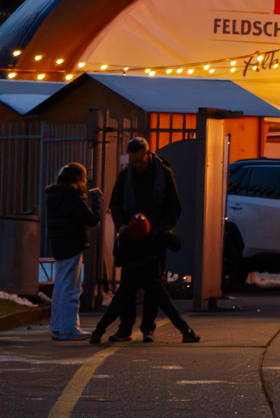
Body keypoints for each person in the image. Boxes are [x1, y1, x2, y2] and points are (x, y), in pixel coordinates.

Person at [107, 138, 198, 342]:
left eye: (139, 161)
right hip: (131, 238)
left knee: (153, 287)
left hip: (154, 238)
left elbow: (173, 206)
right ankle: (125, 328)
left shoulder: (163, 174)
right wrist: (122, 224)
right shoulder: (126, 176)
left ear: (147, 155)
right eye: (133, 162)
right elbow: (116, 203)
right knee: (128, 286)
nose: (136, 166)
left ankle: (148, 328)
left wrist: (161, 229)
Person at [43, 163, 102, 341]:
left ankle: (58, 327)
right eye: (83, 178)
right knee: (71, 288)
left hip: (59, 245)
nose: (85, 182)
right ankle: (69, 328)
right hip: (73, 244)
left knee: (60, 286)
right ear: (77, 179)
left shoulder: (54, 196)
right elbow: (91, 219)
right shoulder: (73, 197)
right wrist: (97, 202)